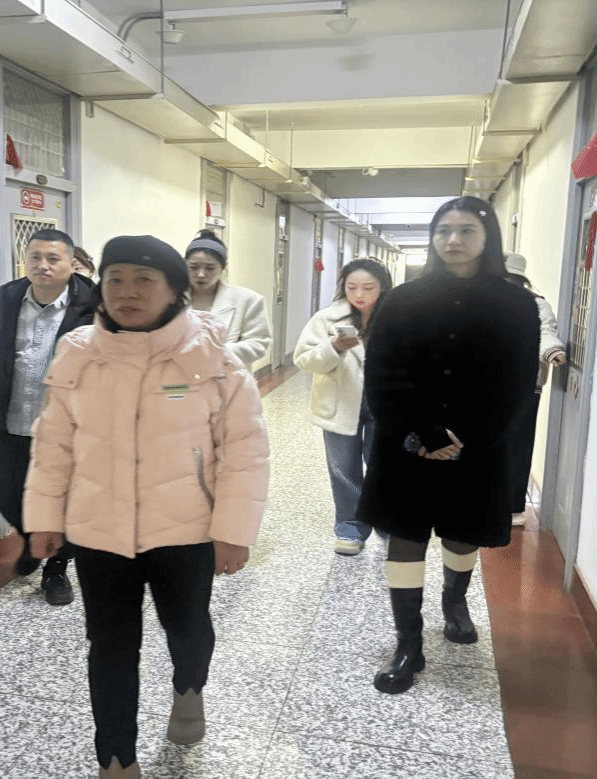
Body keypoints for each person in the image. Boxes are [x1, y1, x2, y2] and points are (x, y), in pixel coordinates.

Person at [24, 235, 269, 779]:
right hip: (98, 530)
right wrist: (44, 517)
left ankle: (189, 688)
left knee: (188, 630)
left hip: (186, 531)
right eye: (115, 279)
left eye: (143, 280)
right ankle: (117, 758)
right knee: (109, 646)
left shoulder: (214, 359)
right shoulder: (79, 352)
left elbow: (245, 450)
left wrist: (233, 530)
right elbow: (54, 443)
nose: (127, 292)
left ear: (176, 290)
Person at [357, 197, 539, 695]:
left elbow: (517, 381)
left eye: (466, 231)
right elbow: (383, 372)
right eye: (443, 230)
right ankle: (408, 643)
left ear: (488, 237)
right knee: (406, 535)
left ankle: (454, 603)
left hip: (479, 444)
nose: (453, 240)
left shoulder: (517, 303)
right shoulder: (402, 300)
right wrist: (422, 434)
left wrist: (469, 438)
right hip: (407, 444)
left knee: (462, 532)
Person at [0, 228, 95, 605]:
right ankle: (33, 539)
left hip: (69, 429)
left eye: (53, 258)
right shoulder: (3, 307)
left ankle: (57, 568)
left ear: (72, 264)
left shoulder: (93, 310)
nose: (43, 265)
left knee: (65, 499)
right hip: (13, 422)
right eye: (35, 257)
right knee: (6, 492)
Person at [293, 259, 394, 556]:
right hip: (339, 403)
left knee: (384, 468)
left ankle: (388, 527)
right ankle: (350, 530)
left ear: (382, 287)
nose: (359, 294)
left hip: (384, 403)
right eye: (352, 287)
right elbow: (303, 359)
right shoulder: (327, 318)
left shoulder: (397, 316)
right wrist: (333, 347)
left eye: (368, 287)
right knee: (343, 469)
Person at [502, 252, 567, 526]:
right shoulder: (486, 303)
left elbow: (546, 332)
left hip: (525, 386)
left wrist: (553, 351)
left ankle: (513, 507)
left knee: (518, 445)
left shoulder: (537, 305)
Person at [184, 230, 272, 368]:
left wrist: (214, 352)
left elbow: (259, 344)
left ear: (223, 267)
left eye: (210, 268)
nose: (201, 274)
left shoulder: (248, 300)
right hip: (178, 376)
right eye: (193, 267)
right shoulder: (170, 298)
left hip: (228, 375)